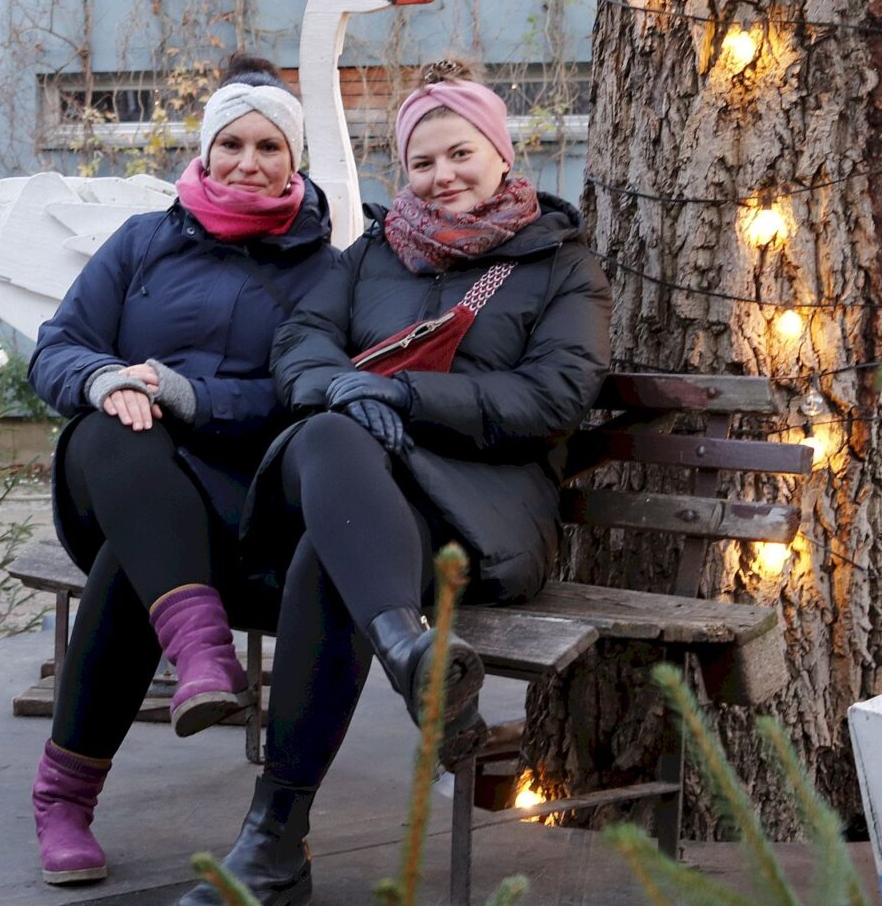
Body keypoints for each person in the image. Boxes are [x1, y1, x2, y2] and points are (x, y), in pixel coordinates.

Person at [177, 59, 611, 906]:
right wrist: (347, 389)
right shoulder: (374, 252)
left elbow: (556, 395)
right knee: (329, 442)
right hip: (366, 492)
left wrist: (404, 394)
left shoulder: (562, 264)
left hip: (479, 512)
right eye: (422, 161)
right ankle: (410, 652)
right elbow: (302, 340)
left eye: (461, 155)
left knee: (326, 558)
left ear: (502, 154)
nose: (442, 176)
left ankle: (274, 843)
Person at [24, 55, 341, 887]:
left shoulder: (323, 268)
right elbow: (58, 348)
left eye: (268, 147)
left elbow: (302, 392)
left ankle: (62, 801)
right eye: (231, 143)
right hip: (114, 475)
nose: (247, 162)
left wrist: (191, 396)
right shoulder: (143, 241)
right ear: (205, 150)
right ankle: (202, 655)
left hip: (235, 500)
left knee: (134, 565)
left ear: (295, 159)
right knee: (116, 427)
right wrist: (106, 380)